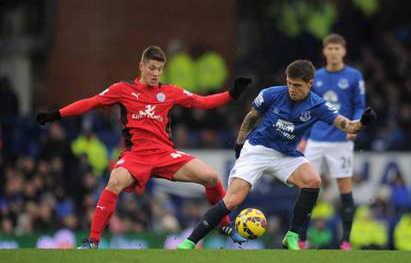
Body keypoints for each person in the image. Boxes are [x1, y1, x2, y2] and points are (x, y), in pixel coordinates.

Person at [36, 45, 252, 249]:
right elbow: (91, 102)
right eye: (151, 68)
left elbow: (202, 102)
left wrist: (231, 94)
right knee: (114, 182)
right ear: (141, 66)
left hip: (165, 154)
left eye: (159, 69)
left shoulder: (169, 91)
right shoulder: (122, 89)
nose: (156, 73)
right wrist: (57, 114)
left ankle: (223, 224)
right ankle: (92, 240)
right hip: (136, 156)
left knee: (212, 178)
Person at [177, 59, 376, 250]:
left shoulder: (318, 106)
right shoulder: (272, 94)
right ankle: (190, 242)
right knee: (232, 200)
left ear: (310, 84)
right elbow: (251, 117)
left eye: (297, 85)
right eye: (289, 83)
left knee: (313, 180)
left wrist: (363, 122)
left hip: (286, 154)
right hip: (258, 149)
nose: (292, 89)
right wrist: (239, 142)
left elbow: (349, 126)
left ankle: (292, 236)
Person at [298, 33, 365, 250]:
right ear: (324, 51)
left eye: (338, 48)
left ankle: (345, 240)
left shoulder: (354, 76)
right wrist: (304, 138)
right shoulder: (315, 76)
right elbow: (308, 109)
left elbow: (359, 104)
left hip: (341, 141)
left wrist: (356, 126)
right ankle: (301, 238)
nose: (334, 52)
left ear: (344, 51)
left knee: (344, 188)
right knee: (307, 187)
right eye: (330, 48)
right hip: (316, 139)